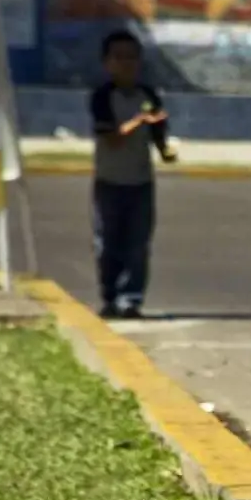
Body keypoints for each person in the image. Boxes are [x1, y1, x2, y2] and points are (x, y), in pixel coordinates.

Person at [88, 31, 176, 319]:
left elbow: (158, 131)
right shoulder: (102, 97)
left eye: (132, 57)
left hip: (140, 182)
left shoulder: (148, 95)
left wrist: (164, 149)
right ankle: (110, 296)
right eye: (119, 57)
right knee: (107, 244)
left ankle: (132, 298)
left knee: (137, 244)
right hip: (109, 181)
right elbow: (111, 137)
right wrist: (139, 120)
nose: (127, 64)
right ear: (107, 62)